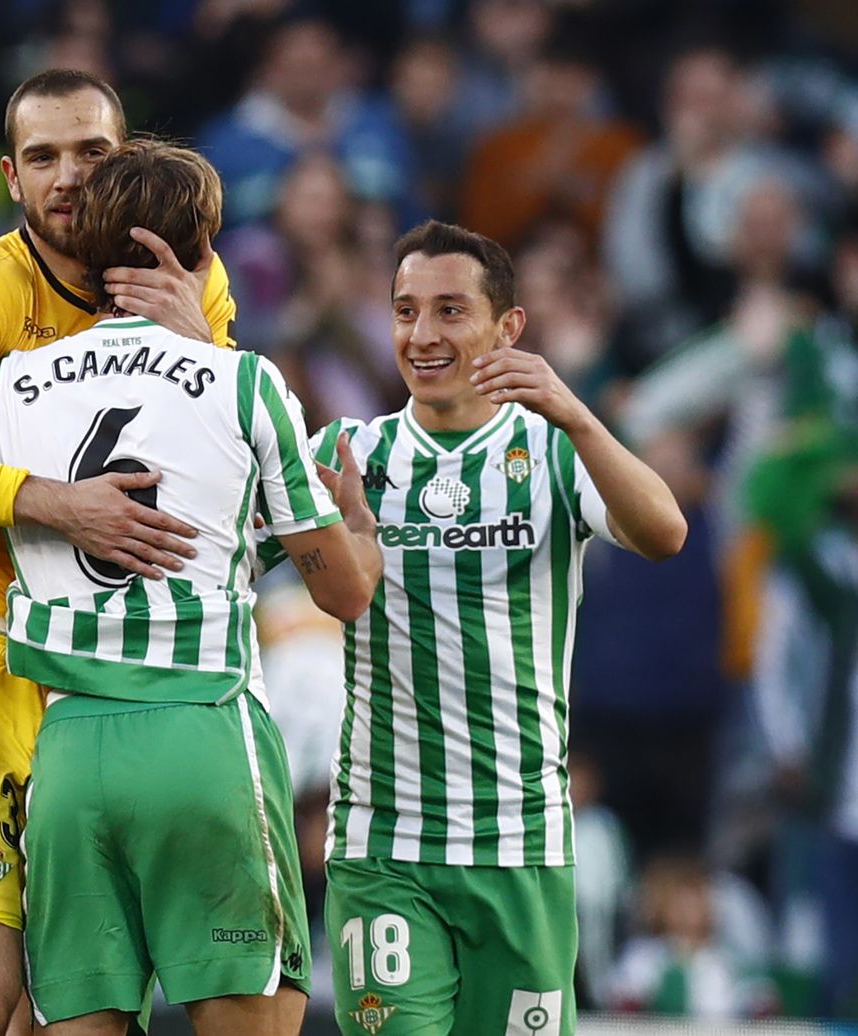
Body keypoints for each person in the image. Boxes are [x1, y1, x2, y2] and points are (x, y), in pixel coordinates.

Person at [0, 139, 382, 1036]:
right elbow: (345, 596)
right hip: (205, 737)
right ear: (199, 255)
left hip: (71, 756)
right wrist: (357, 527)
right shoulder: (247, 385)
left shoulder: (7, 389)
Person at [0, 68, 237, 1036]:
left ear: (126, 157)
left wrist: (204, 346)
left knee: (70, 1010)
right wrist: (47, 501)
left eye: (91, 152)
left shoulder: (191, 275)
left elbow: (227, 458)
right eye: (43, 158)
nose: (68, 177)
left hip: (99, 679)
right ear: (11, 179)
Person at [312, 221, 688, 1035]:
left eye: (451, 311)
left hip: (521, 842)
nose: (423, 334)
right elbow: (228, 553)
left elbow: (666, 532)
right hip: (386, 844)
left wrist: (577, 415)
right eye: (406, 311)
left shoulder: (552, 451)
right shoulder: (351, 453)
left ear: (507, 328)